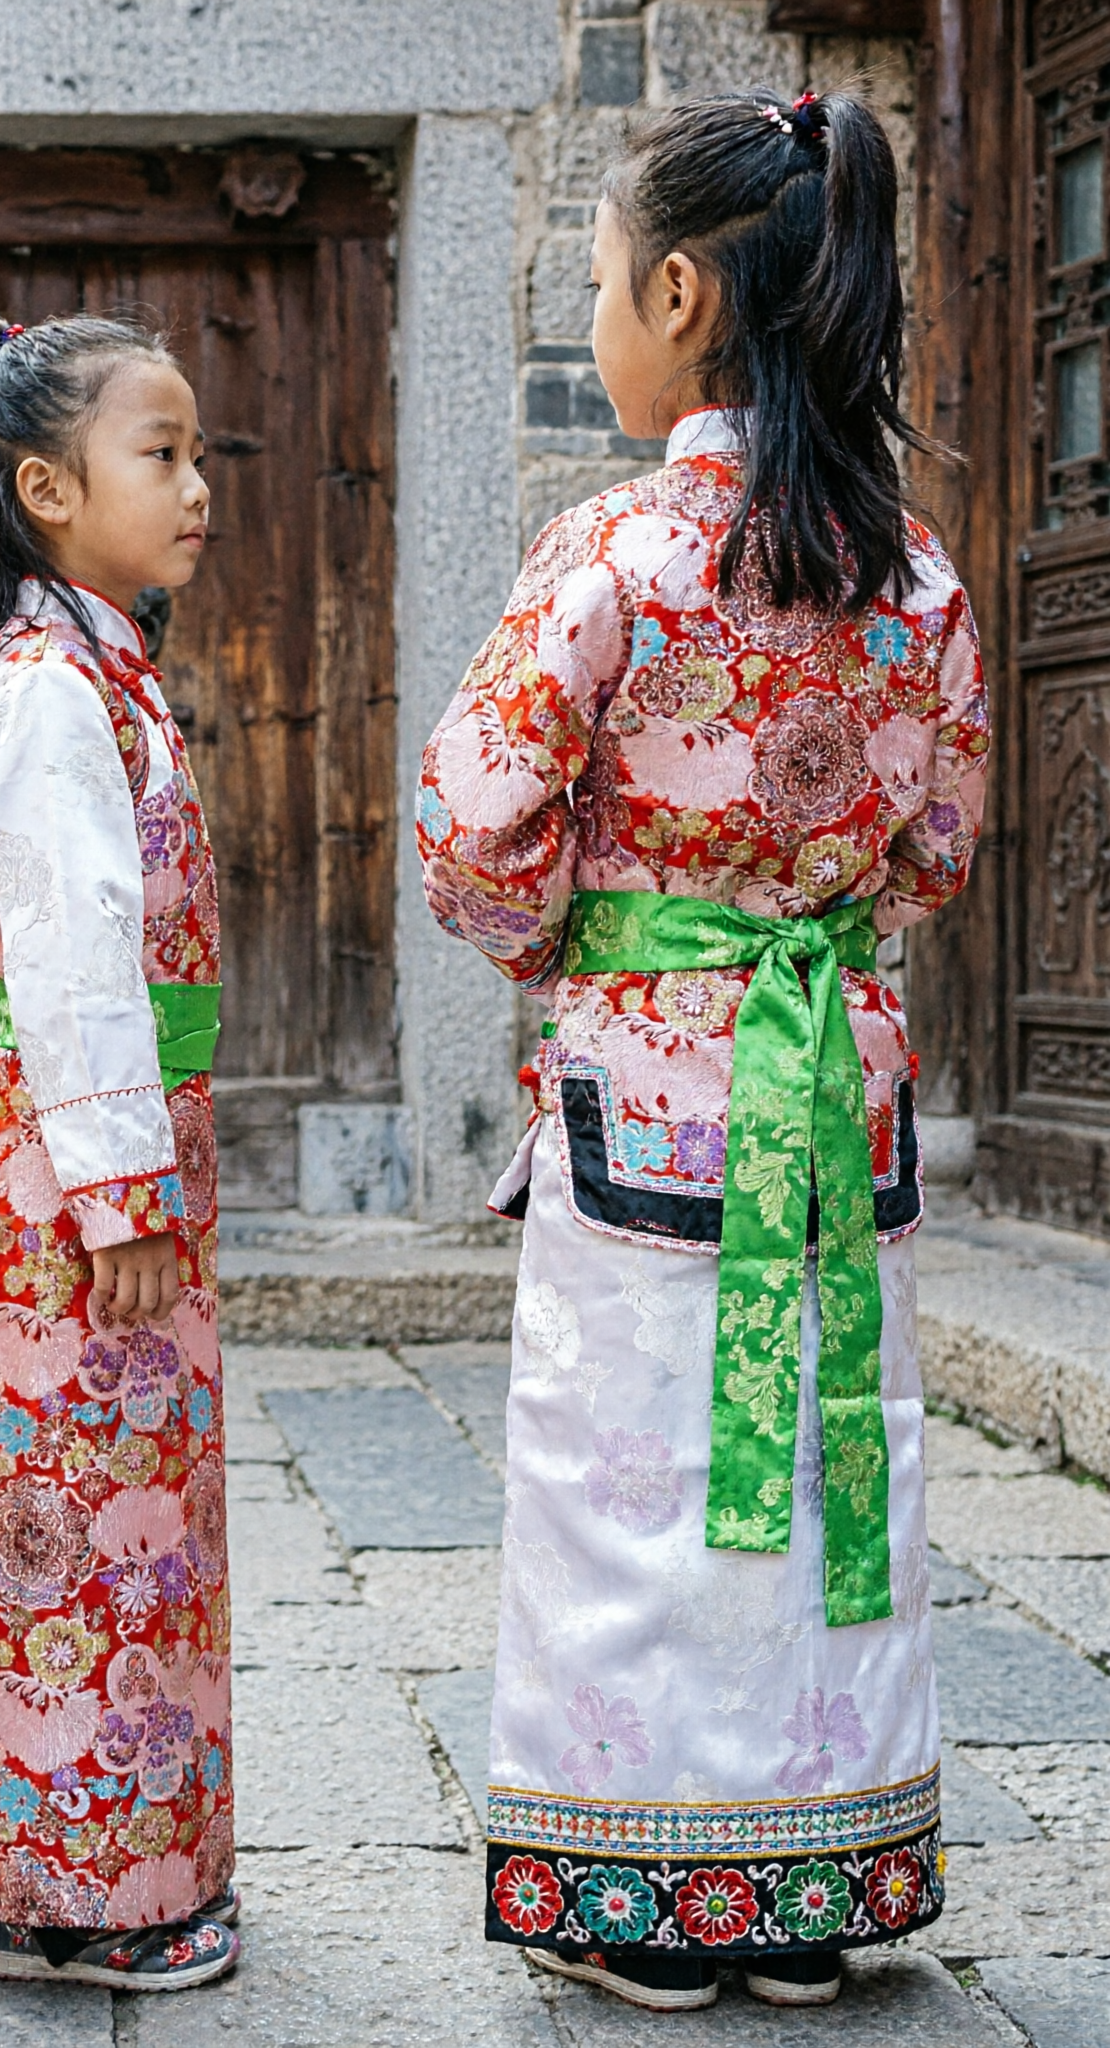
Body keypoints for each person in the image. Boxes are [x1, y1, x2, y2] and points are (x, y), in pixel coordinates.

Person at [418, 91, 988, 2014]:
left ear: (675, 294)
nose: (596, 313)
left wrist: (586, 940)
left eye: (595, 280)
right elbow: (942, 846)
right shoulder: (919, 578)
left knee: (632, 1476)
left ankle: (645, 1896)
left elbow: (470, 831)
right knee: (847, 1466)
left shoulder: (619, 553)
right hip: (841, 1088)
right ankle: (823, 1885)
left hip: (652, 1093)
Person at [0, 310, 240, 1992]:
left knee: (94, 1505)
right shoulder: (45, 687)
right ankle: (65, 1886)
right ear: (45, 486)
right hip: (73, 1170)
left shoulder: (99, 665)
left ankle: (63, 1865)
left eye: (195, 450)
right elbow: (78, 947)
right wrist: (119, 1183)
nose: (197, 485)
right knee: (73, 1515)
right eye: (159, 453)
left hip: (96, 1149)